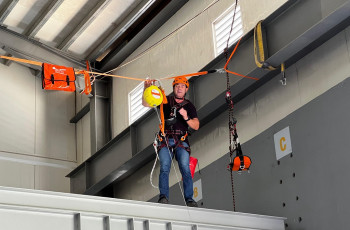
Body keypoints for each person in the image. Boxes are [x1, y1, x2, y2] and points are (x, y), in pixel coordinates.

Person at [142, 76, 200, 207]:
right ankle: (163, 197)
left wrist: (185, 117)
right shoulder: (165, 100)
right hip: (165, 140)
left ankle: (189, 199)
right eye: (177, 86)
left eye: (182, 86)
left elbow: (196, 125)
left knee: (185, 168)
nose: (180, 88)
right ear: (173, 88)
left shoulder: (189, 106)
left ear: (186, 89)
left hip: (181, 140)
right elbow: (146, 103)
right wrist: (146, 88)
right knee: (165, 167)